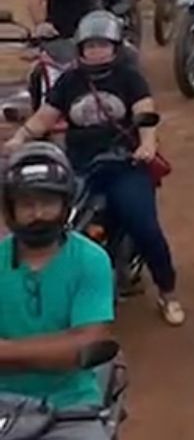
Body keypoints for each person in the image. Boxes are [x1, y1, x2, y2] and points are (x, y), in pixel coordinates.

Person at [4, 11, 184, 326]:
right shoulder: (71, 80)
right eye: (91, 45)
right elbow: (46, 116)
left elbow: (145, 111)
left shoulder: (129, 76)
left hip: (124, 164)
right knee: (56, 222)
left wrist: (147, 144)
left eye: (103, 44)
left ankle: (167, 292)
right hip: (80, 165)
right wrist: (19, 138)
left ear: (115, 47)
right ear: (81, 48)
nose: (97, 51)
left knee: (145, 226)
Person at [0, 142, 116, 438]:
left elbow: (84, 347)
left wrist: (5, 351)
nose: (38, 213)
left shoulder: (91, 259)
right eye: (26, 204)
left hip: (71, 405)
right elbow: (70, 347)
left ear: (65, 205)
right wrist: (54, 349)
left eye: (48, 202)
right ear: (10, 208)